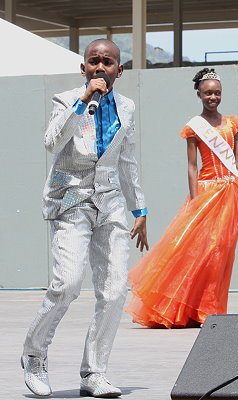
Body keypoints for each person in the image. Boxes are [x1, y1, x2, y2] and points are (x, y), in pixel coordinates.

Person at [21, 39, 148, 398]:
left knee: (115, 291)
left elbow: (126, 158)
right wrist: (83, 101)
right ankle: (34, 356)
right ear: (84, 68)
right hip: (71, 199)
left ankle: (94, 373)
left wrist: (139, 209)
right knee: (67, 284)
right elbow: (52, 141)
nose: (100, 67)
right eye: (93, 61)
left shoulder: (127, 106)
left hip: (110, 203)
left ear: (119, 70)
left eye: (107, 62)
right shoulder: (66, 100)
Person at [126, 68, 238, 329]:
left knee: (222, 252)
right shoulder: (194, 127)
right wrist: (195, 201)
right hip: (207, 192)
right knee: (200, 250)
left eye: (217, 93)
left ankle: (210, 308)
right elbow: (191, 166)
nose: (213, 97)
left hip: (231, 192)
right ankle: (186, 308)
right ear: (199, 94)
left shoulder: (231, 124)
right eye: (208, 93)